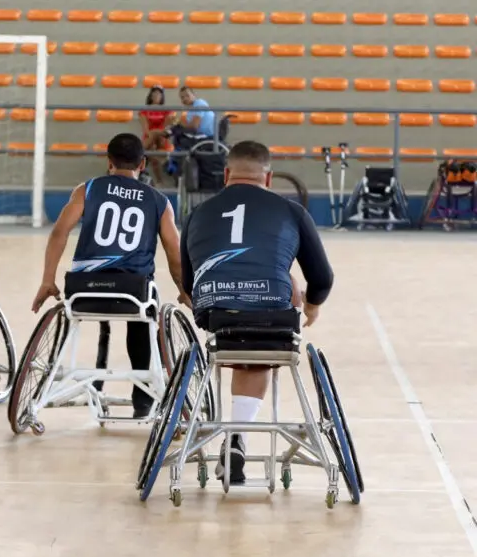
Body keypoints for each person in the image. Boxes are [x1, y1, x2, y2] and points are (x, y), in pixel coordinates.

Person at [180, 140, 334, 484]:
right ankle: (238, 434)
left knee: (241, 331)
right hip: (270, 314)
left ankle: (235, 437)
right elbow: (323, 278)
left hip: (216, 315)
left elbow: (188, 284)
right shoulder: (291, 211)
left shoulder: (197, 214)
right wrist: (311, 304)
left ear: (226, 175)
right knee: (269, 322)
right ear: (269, 178)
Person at [31, 133, 187, 418]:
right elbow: (174, 255)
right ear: (143, 163)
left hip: (82, 290)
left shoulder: (87, 189)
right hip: (132, 292)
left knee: (94, 305)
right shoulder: (159, 201)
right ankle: (143, 399)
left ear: (109, 161)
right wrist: (183, 289)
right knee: (146, 313)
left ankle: (53, 385)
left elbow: (59, 232)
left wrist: (47, 280)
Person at [138, 86, 172, 185]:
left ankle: (139, 155)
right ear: (150, 96)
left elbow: (166, 129)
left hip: (162, 139)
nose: (156, 95)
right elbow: (146, 131)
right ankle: (160, 179)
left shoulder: (167, 110)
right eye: (154, 94)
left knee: (154, 142)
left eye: (158, 94)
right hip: (149, 139)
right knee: (152, 149)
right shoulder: (144, 110)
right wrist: (155, 132)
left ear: (162, 96)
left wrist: (156, 132)